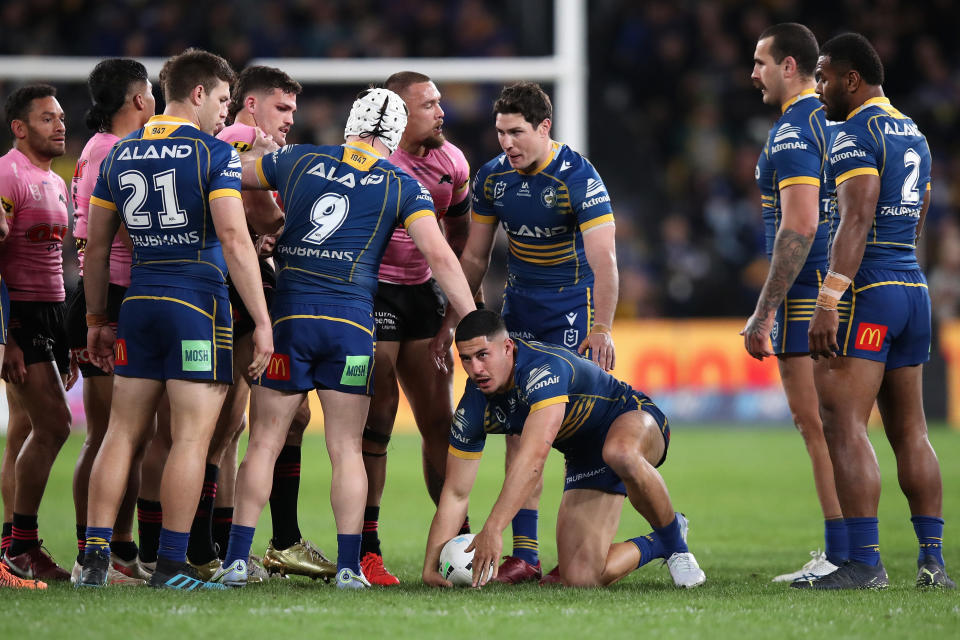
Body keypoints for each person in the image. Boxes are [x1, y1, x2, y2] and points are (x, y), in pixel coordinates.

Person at [210, 87, 476, 589]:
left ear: (351, 121)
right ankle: (351, 567)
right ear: (394, 137)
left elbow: (227, 176)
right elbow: (441, 257)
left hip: (288, 320)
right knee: (346, 449)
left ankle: (238, 560)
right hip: (352, 327)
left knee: (264, 442)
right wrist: (472, 318)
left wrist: (246, 152)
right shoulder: (402, 185)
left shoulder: (299, 158)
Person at [78, 48, 274, 590]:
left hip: (139, 303)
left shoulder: (118, 154)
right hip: (197, 303)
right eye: (223, 100)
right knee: (189, 439)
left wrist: (97, 317)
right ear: (198, 93)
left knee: (121, 432)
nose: (224, 111)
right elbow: (235, 238)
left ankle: (93, 560)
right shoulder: (215, 153)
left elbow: (96, 249)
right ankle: (169, 566)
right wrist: (261, 319)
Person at [801, 32, 953, 590]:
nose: (817, 89)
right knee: (911, 430)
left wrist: (830, 298)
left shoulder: (854, 130)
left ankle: (864, 563)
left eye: (822, 77)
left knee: (845, 424)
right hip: (912, 287)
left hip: (867, 290)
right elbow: (921, 217)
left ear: (851, 80)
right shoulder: (914, 133)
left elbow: (857, 218)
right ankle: (932, 561)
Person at [457, 81, 619, 582]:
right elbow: (476, 257)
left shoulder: (577, 176)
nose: (507, 143)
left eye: (517, 132)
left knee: (567, 431)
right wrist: (462, 319)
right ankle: (525, 556)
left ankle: (589, 542)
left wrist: (602, 327)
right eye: (501, 132)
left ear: (544, 127)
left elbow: (605, 261)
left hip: (571, 314)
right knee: (517, 431)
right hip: (518, 312)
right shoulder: (491, 180)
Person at [422, 310, 704, 589]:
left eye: (483, 355)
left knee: (620, 452)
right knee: (581, 577)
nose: (476, 369)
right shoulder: (472, 408)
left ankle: (677, 548)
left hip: (630, 417)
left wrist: (493, 529)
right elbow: (456, 492)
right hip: (584, 455)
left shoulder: (542, 369)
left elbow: (533, 460)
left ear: (507, 347)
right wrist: (430, 565)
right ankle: (664, 537)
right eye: (466, 359)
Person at [179, 64, 331, 583]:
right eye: (282, 108)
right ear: (249, 104)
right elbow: (268, 217)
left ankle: (222, 544)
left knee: (244, 425)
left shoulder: (233, 139)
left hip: (228, 288)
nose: (289, 119)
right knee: (226, 427)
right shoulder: (244, 138)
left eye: (293, 109)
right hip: (234, 293)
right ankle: (210, 548)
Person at [740, 23, 846, 582]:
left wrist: (766, 309)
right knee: (849, 426)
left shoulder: (793, 129)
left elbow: (800, 224)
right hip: (855, 285)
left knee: (819, 425)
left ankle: (842, 553)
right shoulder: (842, 119)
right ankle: (900, 551)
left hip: (808, 298)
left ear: (789, 66)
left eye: (760, 62)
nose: (752, 73)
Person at [360, 71, 472, 586]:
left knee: (439, 424)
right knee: (378, 416)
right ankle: (366, 546)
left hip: (424, 295)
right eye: (428, 105)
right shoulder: (375, 161)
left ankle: (459, 540)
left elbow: (460, 242)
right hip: (375, 291)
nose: (441, 111)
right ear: (400, 115)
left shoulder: (452, 163)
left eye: (439, 101)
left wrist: (455, 314)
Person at [67, 58, 156, 587]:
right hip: (110, 296)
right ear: (138, 100)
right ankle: (89, 553)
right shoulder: (113, 152)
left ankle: (118, 550)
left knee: (130, 435)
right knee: (106, 435)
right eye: (149, 94)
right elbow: (110, 237)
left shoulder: (102, 148)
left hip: (115, 295)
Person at [0, 84, 73, 582]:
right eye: (47, 118)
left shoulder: (54, 180)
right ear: (20, 128)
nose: (60, 125)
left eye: (61, 116)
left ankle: (10, 546)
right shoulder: (7, 172)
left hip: (50, 313)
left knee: (24, 432)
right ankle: (22, 545)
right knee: (56, 427)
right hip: (20, 317)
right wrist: (4, 335)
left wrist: (65, 336)